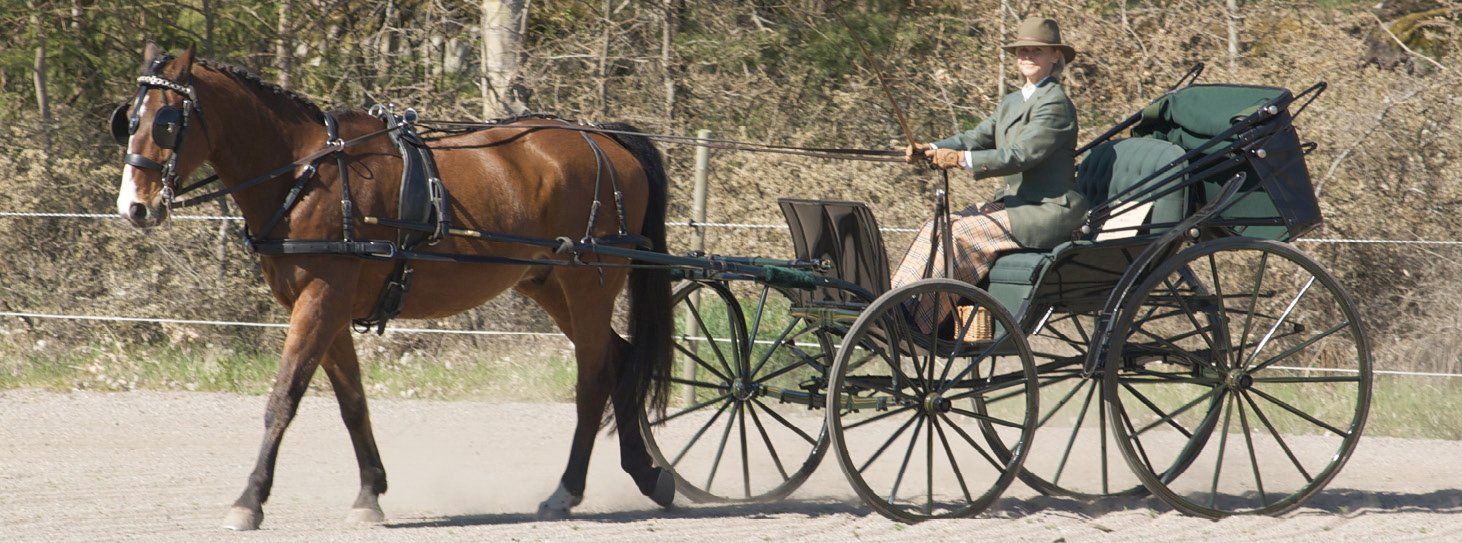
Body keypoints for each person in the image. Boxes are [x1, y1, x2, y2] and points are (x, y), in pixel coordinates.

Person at [894, 17, 1089, 332]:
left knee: (961, 235)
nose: (1026, 56)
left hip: (1049, 211)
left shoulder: (1055, 105)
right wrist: (929, 147)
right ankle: (893, 303)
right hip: (1017, 204)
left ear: (1055, 56)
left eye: (1036, 51)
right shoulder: (1013, 101)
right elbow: (977, 137)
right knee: (938, 227)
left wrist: (959, 159)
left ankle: (920, 323)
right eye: (1021, 51)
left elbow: (1020, 155)